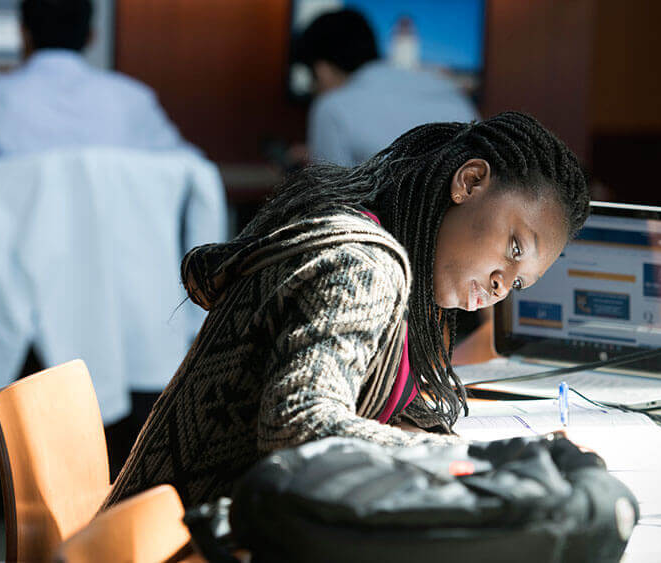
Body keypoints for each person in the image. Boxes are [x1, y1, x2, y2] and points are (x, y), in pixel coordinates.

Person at [104, 112, 590, 509]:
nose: (503, 284)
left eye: (520, 282)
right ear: (470, 181)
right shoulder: (365, 266)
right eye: (512, 246)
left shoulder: (398, 267)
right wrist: (479, 458)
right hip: (177, 547)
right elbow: (300, 425)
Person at [0, 0, 185, 227]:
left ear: (22, 33)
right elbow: (191, 181)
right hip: (115, 274)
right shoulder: (134, 100)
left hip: (16, 275)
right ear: (92, 37)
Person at [294, 9, 479, 167]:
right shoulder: (447, 88)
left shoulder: (330, 108)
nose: (313, 88)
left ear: (322, 69)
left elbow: (328, 202)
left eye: (313, 78)